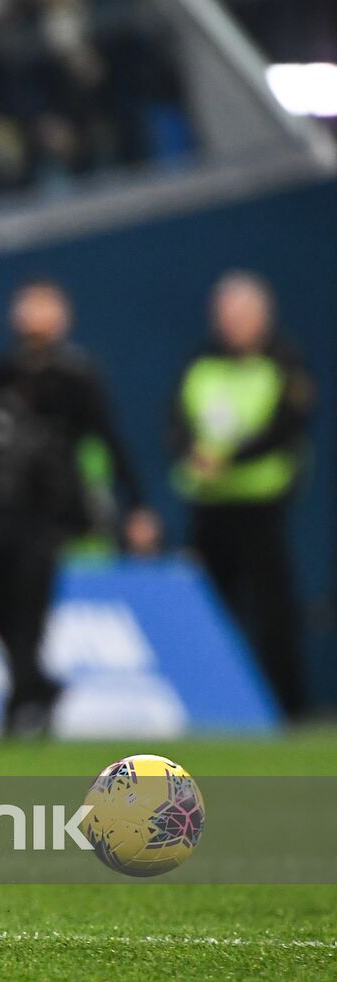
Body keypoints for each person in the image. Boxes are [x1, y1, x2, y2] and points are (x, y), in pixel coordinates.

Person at [0, 279, 159, 736]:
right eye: (26, 304)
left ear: (61, 317)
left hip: (45, 510)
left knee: (29, 609)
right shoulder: (3, 371)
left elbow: (108, 438)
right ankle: (38, 685)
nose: (30, 314)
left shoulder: (75, 377)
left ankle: (18, 709)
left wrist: (138, 506)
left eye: (41, 306)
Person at [170, 271, 314, 720]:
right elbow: (175, 423)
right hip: (209, 508)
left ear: (262, 316)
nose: (231, 322)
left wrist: (228, 459)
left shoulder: (283, 364)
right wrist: (192, 454)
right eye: (225, 314)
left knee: (272, 614)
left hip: (261, 507)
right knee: (211, 613)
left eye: (241, 314)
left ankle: (288, 709)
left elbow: (285, 429)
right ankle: (213, 709)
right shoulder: (200, 363)